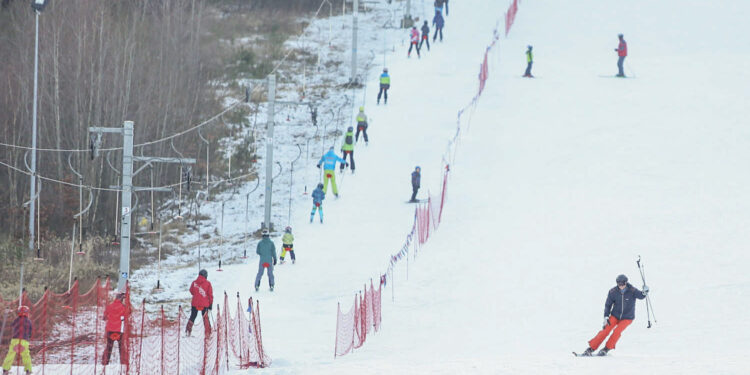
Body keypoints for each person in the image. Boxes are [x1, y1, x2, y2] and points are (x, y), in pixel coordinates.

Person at [579, 274, 649, 356]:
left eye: (623, 284)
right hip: (615, 315)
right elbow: (608, 305)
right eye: (619, 284)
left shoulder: (632, 290)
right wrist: (606, 316)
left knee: (617, 331)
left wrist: (645, 292)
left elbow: (641, 296)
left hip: (627, 317)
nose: (621, 286)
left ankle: (606, 349)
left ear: (626, 283)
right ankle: (591, 349)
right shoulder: (613, 292)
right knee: (605, 330)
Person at [2, 306, 33, 375]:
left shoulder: (16, 320)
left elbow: (12, 326)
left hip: (15, 340)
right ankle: (28, 370)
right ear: (27, 313)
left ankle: (5, 369)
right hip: (24, 340)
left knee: (11, 354)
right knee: (26, 355)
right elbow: (30, 332)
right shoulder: (29, 321)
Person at [102, 293, 129, 366]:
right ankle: (123, 363)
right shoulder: (124, 307)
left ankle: (105, 362)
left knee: (109, 346)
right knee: (121, 347)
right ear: (122, 299)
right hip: (120, 330)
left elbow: (104, 317)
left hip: (110, 330)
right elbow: (127, 315)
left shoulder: (109, 306)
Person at [186, 269, 213, 337]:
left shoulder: (194, 282)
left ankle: (188, 331)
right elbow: (210, 295)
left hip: (195, 303)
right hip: (204, 304)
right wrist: (210, 304)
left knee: (192, 317)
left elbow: (191, 291)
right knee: (205, 318)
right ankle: (208, 333)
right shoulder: (208, 283)